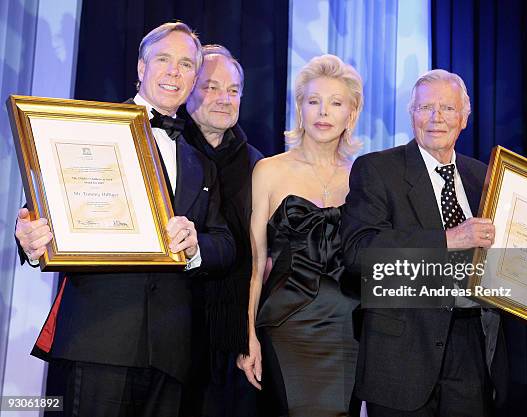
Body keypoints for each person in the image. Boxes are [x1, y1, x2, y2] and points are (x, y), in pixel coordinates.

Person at [341, 69, 527, 417]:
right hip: (403, 355)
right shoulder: (377, 169)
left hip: (475, 351)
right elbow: (360, 252)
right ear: (411, 114)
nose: (436, 118)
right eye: (426, 108)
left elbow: (513, 259)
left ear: (464, 118)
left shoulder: (487, 178)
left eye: (447, 109)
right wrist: (448, 239)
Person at [14, 22, 235, 417]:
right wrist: (33, 241)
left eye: (186, 64)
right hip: (99, 338)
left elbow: (225, 243)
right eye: (163, 59)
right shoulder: (86, 130)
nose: (174, 72)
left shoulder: (201, 161)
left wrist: (195, 245)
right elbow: (48, 216)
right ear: (140, 67)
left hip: (172, 350)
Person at [237, 54, 363, 416]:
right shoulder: (269, 170)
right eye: (314, 101)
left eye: (335, 103)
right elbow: (256, 264)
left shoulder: (365, 176)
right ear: (300, 109)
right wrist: (249, 337)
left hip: (350, 327)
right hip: (287, 324)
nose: (323, 112)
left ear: (351, 113)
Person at [179, 44, 263, 417]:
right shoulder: (165, 151)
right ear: (188, 89)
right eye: (211, 87)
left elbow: (265, 258)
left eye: (233, 90)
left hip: (233, 345)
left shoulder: (259, 166)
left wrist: (252, 335)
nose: (224, 99)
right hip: (173, 333)